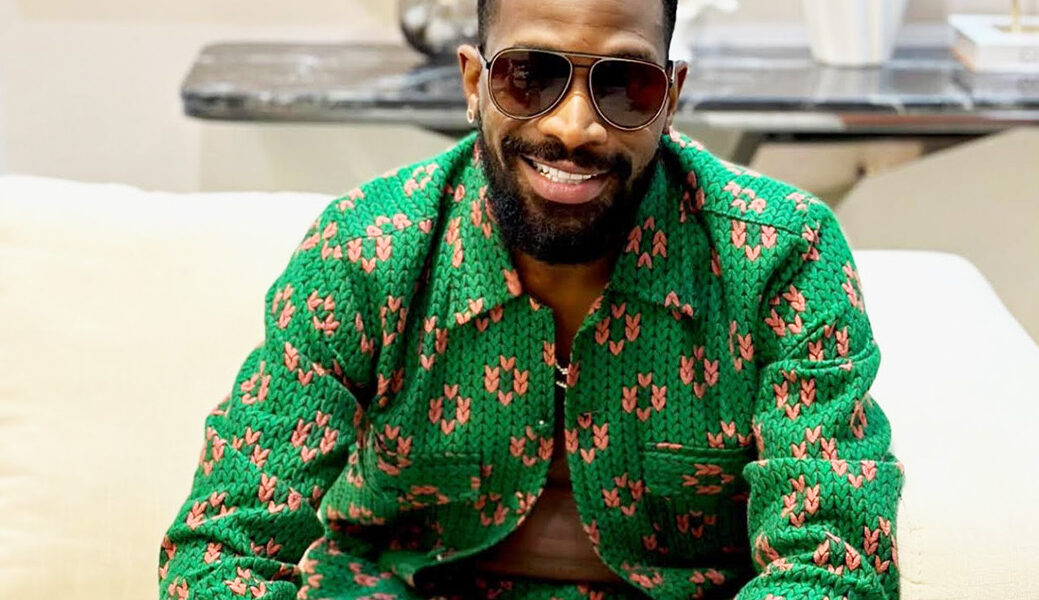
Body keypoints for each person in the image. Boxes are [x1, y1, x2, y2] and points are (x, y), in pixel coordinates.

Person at [158, 1, 904, 598]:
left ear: (670, 98)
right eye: (529, 77)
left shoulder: (777, 257)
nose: (572, 127)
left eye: (624, 86)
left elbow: (834, 559)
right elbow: (224, 544)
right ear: (473, 83)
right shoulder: (366, 252)